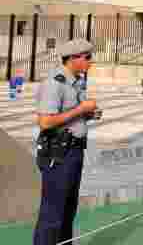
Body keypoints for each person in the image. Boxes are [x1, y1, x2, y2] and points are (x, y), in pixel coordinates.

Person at [33, 39, 101, 245]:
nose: (91, 62)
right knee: (53, 213)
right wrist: (81, 110)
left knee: (67, 210)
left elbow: (67, 116)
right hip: (59, 154)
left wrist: (87, 115)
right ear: (73, 58)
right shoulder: (56, 83)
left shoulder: (76, 81)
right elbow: (45, 121)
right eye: (87, 57)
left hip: (74, 151)